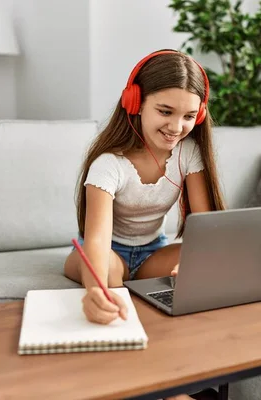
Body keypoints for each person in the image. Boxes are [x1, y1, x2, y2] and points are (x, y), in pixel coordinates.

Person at [64, 49, 225, 326]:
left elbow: (205, 228)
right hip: (106, 251)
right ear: (135, 102)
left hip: (153, 252)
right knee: (111, 277)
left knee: (215, 260)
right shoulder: (108, 164)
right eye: (165, 111)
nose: (176, 127)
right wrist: (94, 292)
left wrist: (195, 264)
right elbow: (97, 242)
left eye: (188, 116)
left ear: (200, 115)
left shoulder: (189, 153)